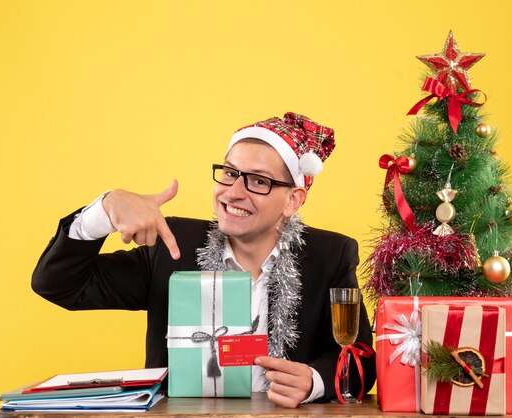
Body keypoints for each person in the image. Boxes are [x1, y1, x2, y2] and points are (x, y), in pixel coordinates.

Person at [32, 112, 376, 408]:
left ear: (293, 201)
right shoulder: (172, 244)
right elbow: (60, 285)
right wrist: (103, 211)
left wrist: (314, 381)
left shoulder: (329, 255)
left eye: (258, 181)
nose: (233, 192)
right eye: (229, 173)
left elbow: (359, 357)